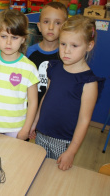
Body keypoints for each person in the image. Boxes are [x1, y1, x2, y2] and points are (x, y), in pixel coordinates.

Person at [29, 15, 105, 170]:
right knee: (39, 171)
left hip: (63, 142)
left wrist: (71, 151)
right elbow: (46, 97)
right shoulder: (54, 67)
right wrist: (35, 121)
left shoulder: (89, 82)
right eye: (63, 44)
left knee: (56, 177)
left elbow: (84, 120)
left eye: (74, 45)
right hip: (42, 133)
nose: (66, 51)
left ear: (89, 46)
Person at [0, 9, 39, 140]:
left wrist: (26, 128)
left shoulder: (29, 68)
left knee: (12, 159)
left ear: (23, 39)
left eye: (14, 37)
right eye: (4, 36)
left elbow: (33, 102)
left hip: (16, 128)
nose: (8, 42)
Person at [26, 2, 68, 105]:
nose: (51, 27)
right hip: (30, 106)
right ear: (39, 26)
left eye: (57, 23)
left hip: (53, 108)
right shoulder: (30, 51)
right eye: (46, 22)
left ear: (65, 27)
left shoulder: (66, 55)